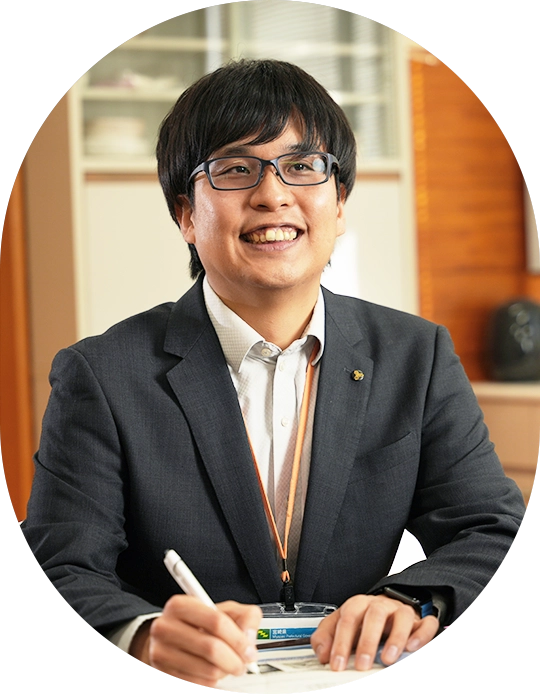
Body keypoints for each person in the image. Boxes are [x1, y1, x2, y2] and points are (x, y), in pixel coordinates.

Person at [22, 59, 525, 687]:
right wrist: (144, 635)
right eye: (236, 169)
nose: (273, 194)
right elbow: (60, 566)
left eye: (303, 166)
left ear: (340, 203)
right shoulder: (102, 375)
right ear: (186, 214)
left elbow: (490, 528)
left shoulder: (415, 356)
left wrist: (412, 599)